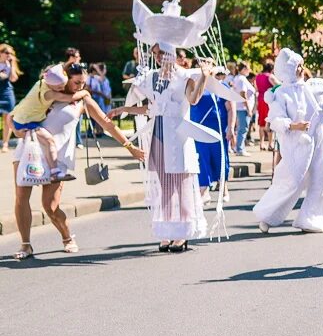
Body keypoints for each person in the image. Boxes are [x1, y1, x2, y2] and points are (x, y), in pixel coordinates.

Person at [11, 69, 145, 260]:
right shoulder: (46, 93)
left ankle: (67, 237)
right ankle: (26, 245)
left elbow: (107, 124)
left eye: (83, 83)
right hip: (28, 151)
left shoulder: (82, 101)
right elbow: (17, 115)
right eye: (76, 83)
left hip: (56, 158)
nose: (81, 87)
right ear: (65, 80)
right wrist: (16, 131)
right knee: (20, 198)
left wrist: (130, 146)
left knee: (50, 206)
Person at [108, 44, 211, 252]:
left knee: (181, 186)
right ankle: (167, 231)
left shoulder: (185, 76)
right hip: (159, 136)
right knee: (164, 187)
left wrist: (204, 76)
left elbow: (193, 99)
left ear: (172, 54)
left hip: (178, 137)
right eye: (155, 53)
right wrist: (124, 109)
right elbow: (151, 108)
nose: (157, 57)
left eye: (162, 53)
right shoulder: (152, 77)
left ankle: (182, 233)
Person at [253, 49, 323, 233]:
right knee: (291, 181)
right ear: (289, 70)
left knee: (321, 179)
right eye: (297, 66)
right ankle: (267, 215)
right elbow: (276, 119)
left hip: (318, 139)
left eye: (301, 65)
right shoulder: (281, 94)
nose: (302, 69)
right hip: (296, 144)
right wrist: (294, 126)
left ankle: (312, 218)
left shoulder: (310, 88)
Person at [10, 63, 89, 181]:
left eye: (63, 85)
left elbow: (58, 69)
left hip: (21, 118)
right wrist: (85, 93)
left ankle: (54, 172)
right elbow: (68, 98)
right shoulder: (48, 93)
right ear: (51, 84)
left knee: (47, 142)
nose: (62, 89)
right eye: (59, 88)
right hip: (27, 123)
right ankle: (55, 172)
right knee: (49, 141)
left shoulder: (41, 82)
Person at [190, 63, 234, 204]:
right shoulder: (195, 85)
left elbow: (230, 109)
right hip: (199, 129)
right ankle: (204, 191)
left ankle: (224, 188)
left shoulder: (221, 87)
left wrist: (231, 128)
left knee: (221, 159)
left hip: (218, 130)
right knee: (202, 160)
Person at [229, 63, 255, 155]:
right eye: (248, 67)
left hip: (241, 107)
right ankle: (240, 149)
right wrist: (248, 109)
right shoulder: (241, 79)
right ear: (244, 68)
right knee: (243, 128)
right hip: (242, 108)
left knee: (241, 128)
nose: (249, 70)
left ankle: (240, 147)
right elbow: (243, 94)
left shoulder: (240, 78)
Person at [0, 44, 22, 151]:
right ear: (1, 53)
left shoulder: (10, 65)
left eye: (11, 53)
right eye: (7, 53)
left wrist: (12, 65)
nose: (9, 55)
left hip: (6, 92)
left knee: (7, 118)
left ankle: (5, 144)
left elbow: (13, 79)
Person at [254, 59, 278, 151]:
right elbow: (279, 86)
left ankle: (261, 143)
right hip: (269, 101)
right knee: (269, 121)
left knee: (261, 123)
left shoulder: (258, 77)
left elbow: (256, 89)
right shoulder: (270, 76)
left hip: (260, 100)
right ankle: (270, 144)